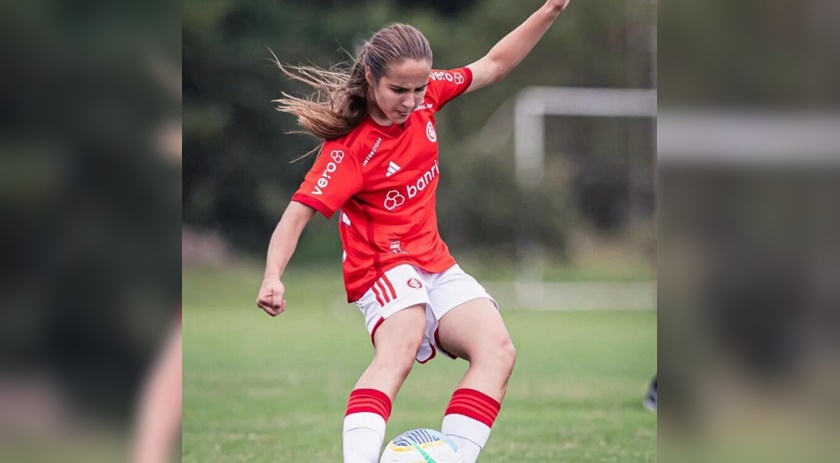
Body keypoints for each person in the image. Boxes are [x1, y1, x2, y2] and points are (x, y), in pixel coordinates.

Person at [256, 2, 572, 462]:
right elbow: (296, 215)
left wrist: (551, 8)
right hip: (380, 267)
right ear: (370, 76)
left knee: (497, 350)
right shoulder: (350, 151)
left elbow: (496, 64)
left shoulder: (428, 98)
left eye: (419, 88)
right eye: (398, 89)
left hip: (434, 261)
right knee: (399, 350)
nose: (411, 100)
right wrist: (272, 275)